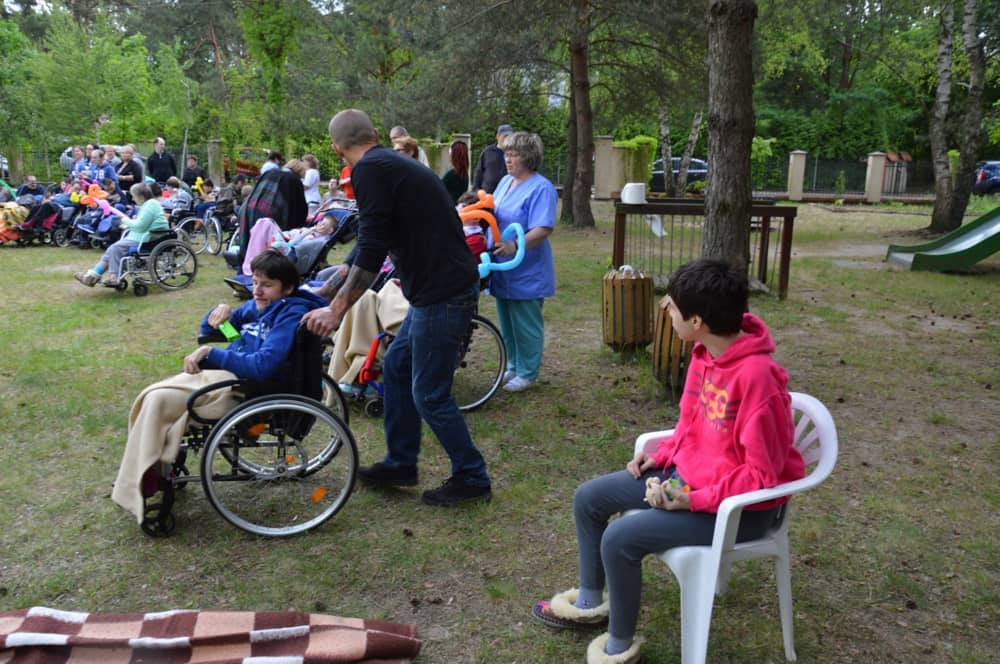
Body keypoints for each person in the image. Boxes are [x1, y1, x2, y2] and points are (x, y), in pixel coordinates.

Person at [531, 259, 805, 664]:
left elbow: (762, 477)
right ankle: (590, 601)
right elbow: (692, 424)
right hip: (690, 480)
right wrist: (660, 457)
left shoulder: (757, 379)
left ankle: (618, 648)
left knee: (620, 538)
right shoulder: (703, 353)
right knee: (588, 498)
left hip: (742, 510)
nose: (666, 309)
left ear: (696, 320)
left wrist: (691, 500)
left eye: (673, 306)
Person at [303, 108, 491, 507]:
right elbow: (366, 244)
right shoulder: (388, 165)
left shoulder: (370, 171)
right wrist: (322, 293)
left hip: (443, 293)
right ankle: (401, 462)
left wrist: (335, 312)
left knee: (430, 394)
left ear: (338, 150)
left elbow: (371, 252)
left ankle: (472, 477)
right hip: (436, 290)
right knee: (398, 366)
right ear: (373, 134)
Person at [110, 249, 328, 523]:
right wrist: (218, 314)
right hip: (228, 374)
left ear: (288, 288)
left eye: (267, 285)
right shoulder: (255, 306)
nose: (258, 291)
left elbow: (263, 365)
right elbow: (228, 334)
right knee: (151, 395)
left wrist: (211, 355)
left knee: (157, 400)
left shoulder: (289, 314)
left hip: (246, 387)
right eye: (255, 282)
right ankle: (148, 472)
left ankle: (142, 479)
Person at [488, 131, 557, 392]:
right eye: (506, 153)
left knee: (526, 321)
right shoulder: (506, 182)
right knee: (506, 318)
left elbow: (543, 228)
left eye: (514, 154)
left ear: (528, 157)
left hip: (527, 266)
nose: (508, 159)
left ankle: (528, 372)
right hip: (502, 264)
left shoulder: (542, 188)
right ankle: (514, 365)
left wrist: (515, 245)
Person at [73, 183, 170, 288]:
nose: (132, 199)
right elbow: (142, 223)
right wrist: (131, 222)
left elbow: (140, 226)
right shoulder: (149, 204)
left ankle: (113, 277)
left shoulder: (150, 205)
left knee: (115, 248)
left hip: (149, 238)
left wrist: (124, 220)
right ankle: (92, 276)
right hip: (144, 235)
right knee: (111, 249)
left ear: (141, 197)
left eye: (133, 196)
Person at [234, 159, 308, 267]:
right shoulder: (294, 180)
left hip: (248, 209)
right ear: (300, 172)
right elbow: (300, 209)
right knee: (265, 245)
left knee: (251, 241)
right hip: (270, 215)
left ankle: (246, 267)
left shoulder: (270, 172)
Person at [472, 124, 512, 193]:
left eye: (509, 137)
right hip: (487, 194)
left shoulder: (514, 153)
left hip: (506, 194)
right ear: (498, 136)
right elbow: (479, 172)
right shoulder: (488, 152)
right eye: (505, 136)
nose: (507, 139)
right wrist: (475, 190)